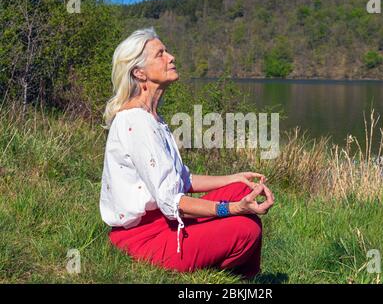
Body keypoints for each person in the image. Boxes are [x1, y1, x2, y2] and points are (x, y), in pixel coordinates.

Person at [100, 27, 275, 279]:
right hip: (142, 238)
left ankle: (239, 272)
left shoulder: (153, 119)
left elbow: (183, 178)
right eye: (160, 54)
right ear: (139, 73)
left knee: (242, 189)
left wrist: (232, 179)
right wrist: (232, 209)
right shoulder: (136, 123)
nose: (171, 57)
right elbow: (172, 202)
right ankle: (243, 279)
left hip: (163, 220)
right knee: (246, 229)